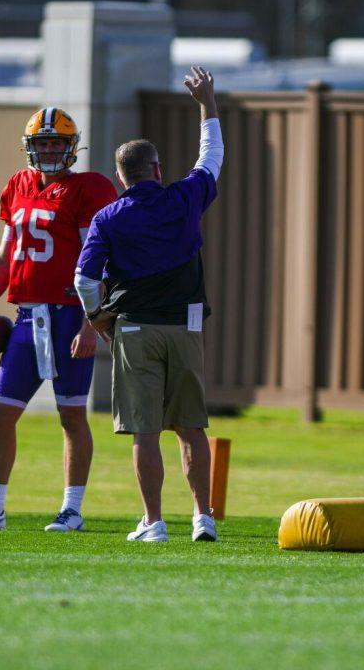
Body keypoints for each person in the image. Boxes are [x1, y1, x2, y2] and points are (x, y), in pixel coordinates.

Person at [0, 108, 118, 532]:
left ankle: (72, 511)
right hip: (27, 317)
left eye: (57, 142)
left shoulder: (89, 189)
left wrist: (91, 323)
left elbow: (99, 261)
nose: (49, 149)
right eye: (42, 142)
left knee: (72, 416)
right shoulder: (17, 186)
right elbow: (6, 258)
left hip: (70, 314)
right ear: (30, 147)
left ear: (71, 147)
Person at [74, 66, 223, 544]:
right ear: (157, 169)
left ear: (121, 176)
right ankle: (203, 518)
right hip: (186, 326)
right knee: (192, 427)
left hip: (135, 329)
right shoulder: (183, 197)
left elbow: (84, 278)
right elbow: (212, 155)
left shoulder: (108, 217)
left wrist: (96, 317)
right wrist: (206, 102)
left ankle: (154, 522)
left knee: (144, 432)